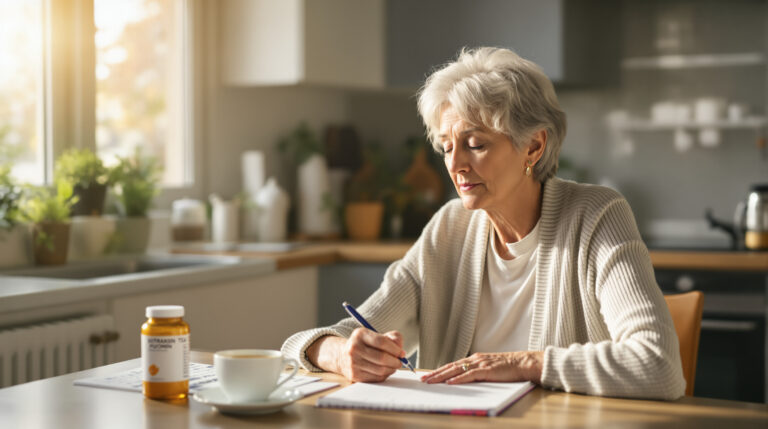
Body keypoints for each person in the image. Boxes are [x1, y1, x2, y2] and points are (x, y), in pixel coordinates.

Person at [282, 47, 685, 400]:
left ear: (534, 145)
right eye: (447, 147)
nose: (455, 164)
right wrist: (339, 353)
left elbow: (658, 364)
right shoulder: (449, 228)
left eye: (475, 144)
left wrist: (523, 364)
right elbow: (306, 343)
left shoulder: (597, 216)